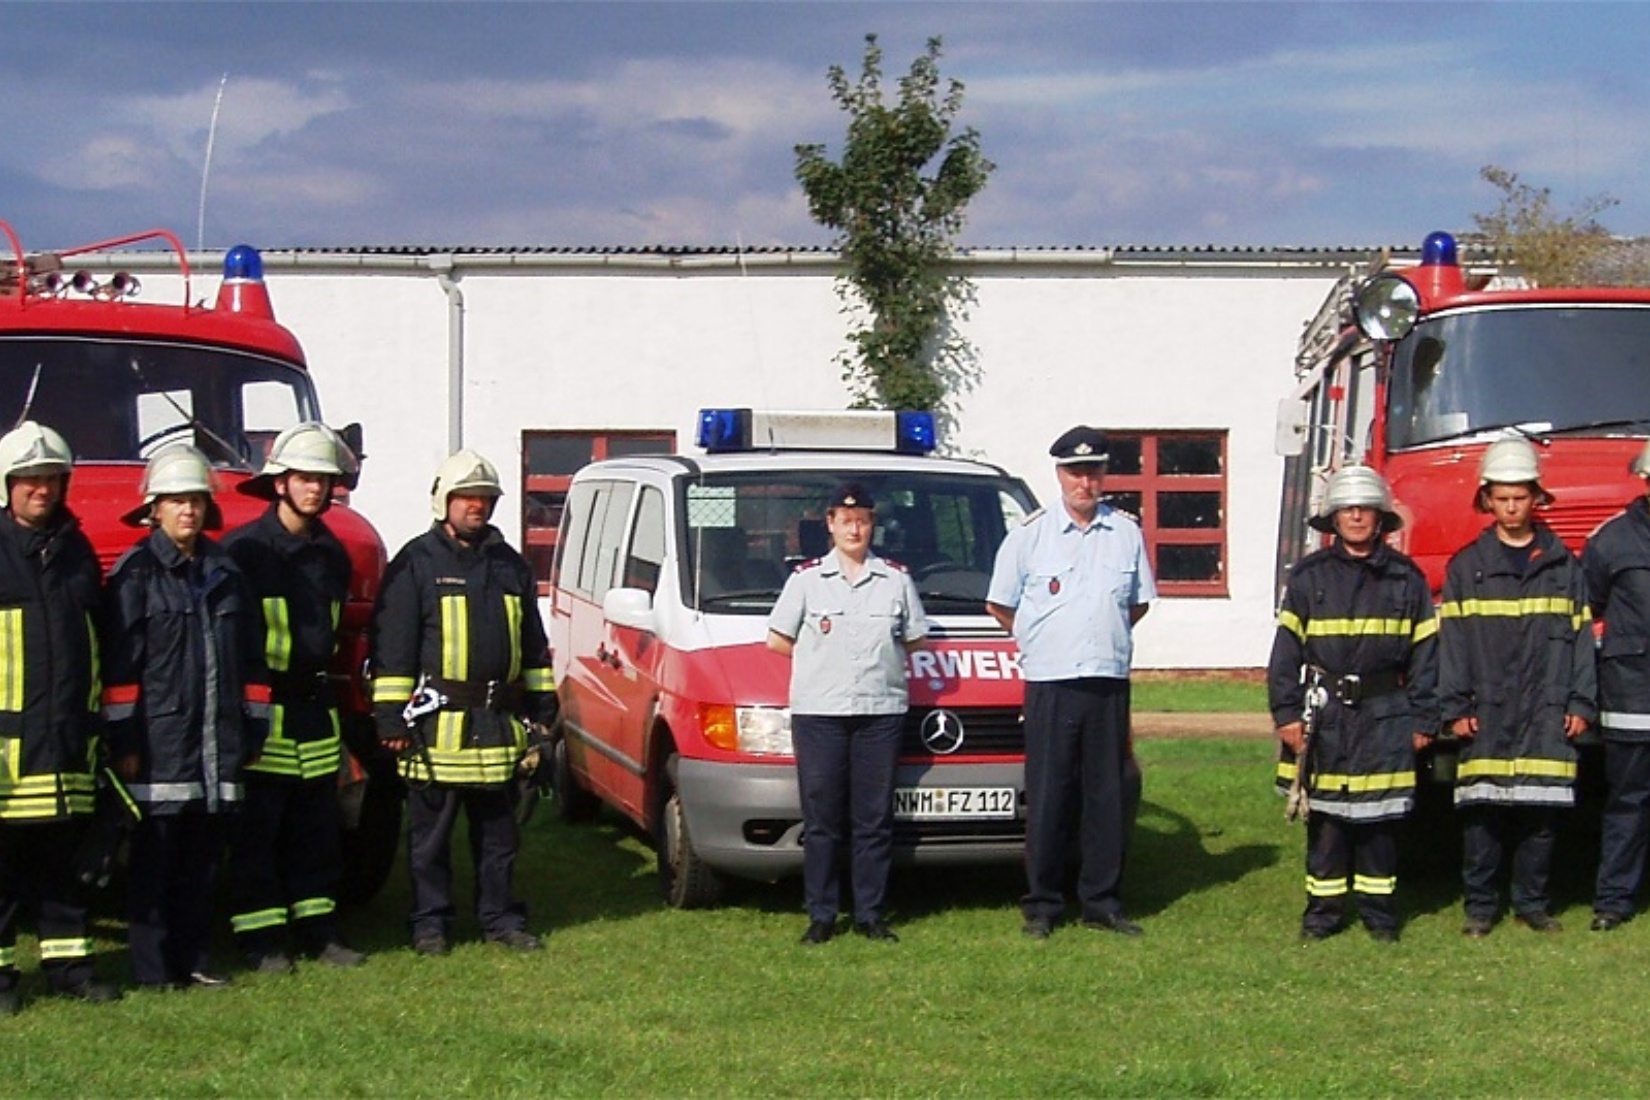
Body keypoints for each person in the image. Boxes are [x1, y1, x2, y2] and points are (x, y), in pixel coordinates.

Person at [369, 449, 555, 956]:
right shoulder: (416, 563)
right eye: (467, 497)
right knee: (430, 839)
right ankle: (430, 923)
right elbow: (393, 644)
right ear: (444, 501)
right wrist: (389, 716)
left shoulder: (510, 566)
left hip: (496, 727)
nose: (477, 506)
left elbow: (534, 647)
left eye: (486, 498)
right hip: (436, 729)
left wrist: (543, 710)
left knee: (499, 839)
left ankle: (500, 919)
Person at [103, 445, 268, 989]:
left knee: (201, 864)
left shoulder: (226, 573)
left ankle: (194, 960)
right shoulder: (134, 575)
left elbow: (251, 657)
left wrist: (253, 724)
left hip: (217, 742)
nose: (188, 511)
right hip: (158, 744)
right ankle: (152, 971)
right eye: (176, 501)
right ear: (154, 508)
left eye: (196, 500)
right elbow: (122, 669)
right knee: (154, 864)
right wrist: (124, 737)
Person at [987, 426, 1155, 940]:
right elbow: (999, 603)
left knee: (1106, 795)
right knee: (1049, 794)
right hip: (1051, 681)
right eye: (1075, 472)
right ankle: (1042, 903)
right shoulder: (1029, 536)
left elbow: (1138, 602)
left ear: (1105, 474)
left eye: (1094, 471)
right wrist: (1042, 640)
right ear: (1059, 474)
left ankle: (1101, 900)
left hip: (1105, 679)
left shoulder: (1126, 533)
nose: (1085, 481)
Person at [1268, 465, 1438, 943]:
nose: (1357, 517)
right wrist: (1285, 713)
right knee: (1325, 820)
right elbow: (1285, 654)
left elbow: (1427, 655)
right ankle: (1322, 915)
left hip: (1386, 713)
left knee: (1379, 820)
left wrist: (1424, 716)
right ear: (1334, 517)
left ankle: (1380, 915)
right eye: (1348, 509)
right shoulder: (1308, 577)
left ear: (1380, 517)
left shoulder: (1408, 580)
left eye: (1365, 509)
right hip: (1324, 715)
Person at [223, 424, 366, 972]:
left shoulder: (331, 554)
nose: (315, 490)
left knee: (317, 832)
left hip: (315, 712)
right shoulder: (243, 553)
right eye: (305, 479)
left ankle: (320, 931)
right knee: (258, 832)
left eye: (323, 481)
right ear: (279, 483)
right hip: (263, 711)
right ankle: (261, 940)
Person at [1439, 438, 1594, 937]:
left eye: (1520, 497)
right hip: (1487, 710)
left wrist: (1580, 701)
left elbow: (1580, 643)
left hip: (1547, 710)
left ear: (1536, 499)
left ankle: (1533, 905)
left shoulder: (1564, 568)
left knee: (1540, 815)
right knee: (1482, 816)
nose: (1511, 507)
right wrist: (1456, 704)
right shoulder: (1467, 568)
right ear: (1487, 501)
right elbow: (1454, 645)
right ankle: (1480, 909)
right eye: (1502, 498)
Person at [767, 483, 928, 945]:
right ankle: (821, 914)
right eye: (845, 520)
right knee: (822, 821)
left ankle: (870, 914)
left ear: (872, 525)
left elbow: (914, 638)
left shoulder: (895, 580)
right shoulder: (806, 580)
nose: (854, 528)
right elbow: (777, 639)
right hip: (821, 711)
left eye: (862, 520)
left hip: (880, 712)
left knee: (873, 821)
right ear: (830, 525)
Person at [0, 422, 120, 1014]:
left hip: (69, 744)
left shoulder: (76, 553)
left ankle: (70, 967)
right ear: (7, 485)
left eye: (51, 478)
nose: (41, 490)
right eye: (29, 479)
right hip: (7, 751)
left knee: (62, 870)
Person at [1583, 439, 1650, 932]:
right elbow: (1588, 610)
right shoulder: (1612, 540)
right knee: (1629, 800)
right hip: (1633, 694)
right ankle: (1613, 900)